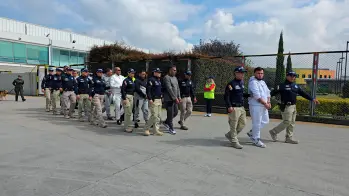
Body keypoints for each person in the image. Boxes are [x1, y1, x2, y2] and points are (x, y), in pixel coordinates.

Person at [269, 71, 320, 144]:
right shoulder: (281, 86)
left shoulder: (296, 86)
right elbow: (272, 93)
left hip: (293, 106)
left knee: (292, 123)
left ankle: (289, 138)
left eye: (294, 76)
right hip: (286, 106)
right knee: (287, 122)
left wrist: (312, 99)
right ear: (287, 76)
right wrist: (267, 100)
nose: (293, 77)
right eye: (291, 76)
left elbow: (303, 93)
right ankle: (274, 132)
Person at [224, 66, 250, 149]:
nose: (242, 75)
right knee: (233, 125)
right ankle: (234, 141)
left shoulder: (241, 83)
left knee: (243, 123)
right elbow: (226, 96)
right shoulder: (231, 84)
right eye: (241, 73)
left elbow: (241, 94)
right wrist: (229, 106)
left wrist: (250, 95)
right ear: (236, 73)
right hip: (234, 107)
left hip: (241, 107)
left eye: (243, 73)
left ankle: (230, 135)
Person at [247, 67, 271, 148]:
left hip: (263, 105)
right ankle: (256, 139)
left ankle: (252, 132)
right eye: (258, 73)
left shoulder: (263, 82)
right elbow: (257, 96)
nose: (260, 75)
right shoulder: (253, 82)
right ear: (255, 73)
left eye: (261, 73)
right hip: (256, 105)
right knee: (257, 123)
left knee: (265, 121)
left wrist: (268, 102)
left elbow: (268, 93)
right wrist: (265, 104)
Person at [143, 68, 164, 136]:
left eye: (160, 72)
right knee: (154, 115)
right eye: (158, 72)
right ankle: (146, 128)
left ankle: (156, 130)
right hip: (153, 100)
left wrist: (161, 97)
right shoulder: (151, 80)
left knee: (158, 116)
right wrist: (150, 99)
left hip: (159, 99)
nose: (159, 73)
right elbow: (148, 90)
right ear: (154, 73)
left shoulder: (158, 80)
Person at [162, 65, 181, 135]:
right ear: (170, 70)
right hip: (169, 99)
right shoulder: (166, 78)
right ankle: (171, 128)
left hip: (175, 99)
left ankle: (166, 122)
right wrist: (175, 98)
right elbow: (169, 89)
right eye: (174, 70)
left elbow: (178, 88)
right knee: (170, 114)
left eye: (175, 70)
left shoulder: (175, 78)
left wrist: (179, 97)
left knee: (175, 112)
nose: (175, 71)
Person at [121, 68, 136, 133]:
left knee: (129, 113)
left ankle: (128, 125)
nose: (133, 74)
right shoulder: (126, 80)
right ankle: (126, 127)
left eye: (133, 73)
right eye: (131, 73)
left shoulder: (132, 80)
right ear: (128, 73)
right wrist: (124, 98)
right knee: (128, 112)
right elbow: (123, 90)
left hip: (131, 96)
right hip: (127, 96)